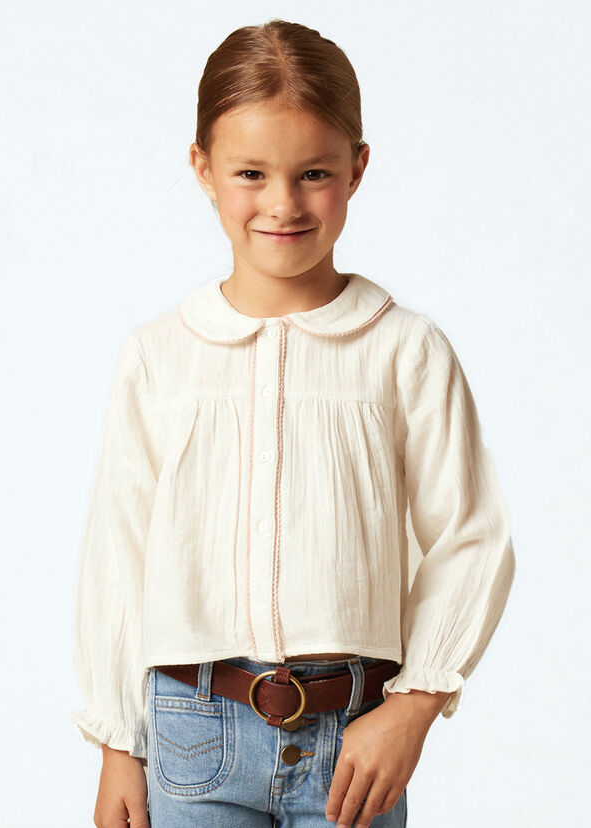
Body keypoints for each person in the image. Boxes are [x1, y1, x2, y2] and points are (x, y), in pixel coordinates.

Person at [70, 18, 516, 828]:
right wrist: (115, 746)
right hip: (192, 738)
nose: (283, 203)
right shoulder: (159, 355)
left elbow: (472, 539)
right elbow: (117, 557)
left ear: (358, 168)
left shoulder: (404, 351)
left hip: (355, 739)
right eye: (251, 172)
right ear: (203, 168)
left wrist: (414, 705)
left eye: (314, 173)